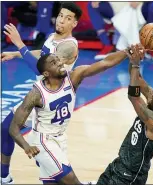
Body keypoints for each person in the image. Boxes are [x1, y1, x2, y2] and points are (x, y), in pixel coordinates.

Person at [9, 44, 144, 184]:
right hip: (43, 141)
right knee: (72, 181)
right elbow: (13, 127)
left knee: (53, 183)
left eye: (58, 59)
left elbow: (105, 63)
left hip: (61, 138)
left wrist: (126, 52)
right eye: (54, 63)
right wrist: (26, 146)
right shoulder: (36, 94)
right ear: (46, 73)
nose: (60, 63)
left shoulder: (73, 77)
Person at [1, 2, 82, 184]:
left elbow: (41, 69)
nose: (61, 20)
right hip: (41, 95)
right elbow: (44, 53)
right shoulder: (54, 36)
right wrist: (16, 54)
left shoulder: (69, 46)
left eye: (68, 18)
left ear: (74, 24)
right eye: (61, 15)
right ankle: (3, 176)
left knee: (46, 159)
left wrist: (19, 43)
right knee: (6, 128)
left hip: (52, 101)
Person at [96, 44, 153, 185]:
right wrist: (135, 59)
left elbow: (133, 97)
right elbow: (137, 78)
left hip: (130, 176)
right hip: (118, 165)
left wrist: (136, 66)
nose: (152, 92)